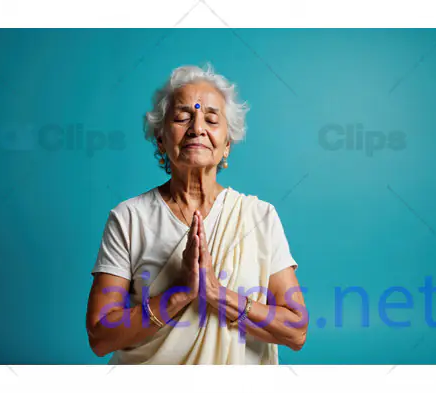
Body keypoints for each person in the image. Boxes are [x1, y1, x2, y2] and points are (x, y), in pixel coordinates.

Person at [86, 63, 308, 365]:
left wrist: (217, 294)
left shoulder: (259, 216)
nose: (197, 128)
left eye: (212, 119)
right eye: (182, 118)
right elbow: (100, 336)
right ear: (161, 139)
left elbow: (295, 331)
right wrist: (178, 295)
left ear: (227, 144)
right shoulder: (128, 218)